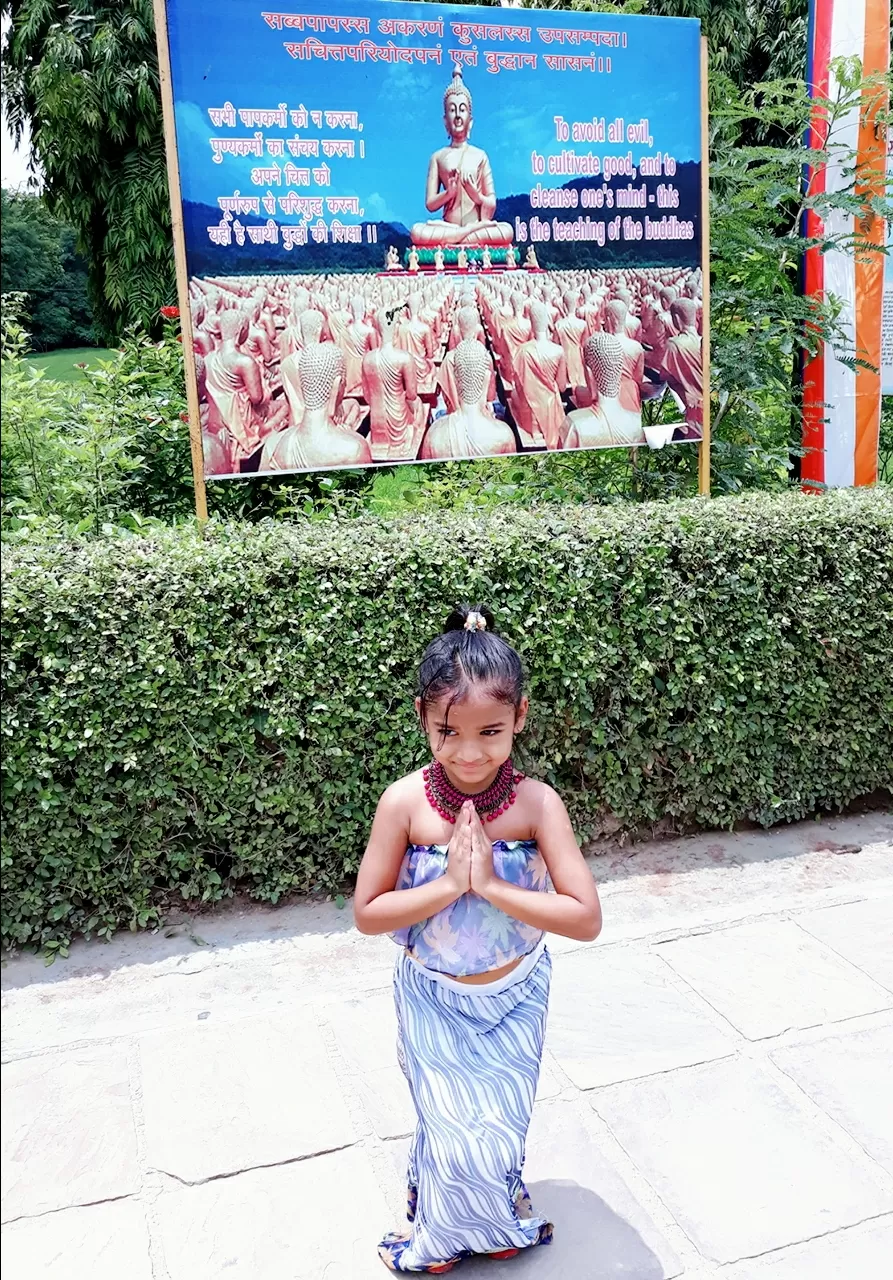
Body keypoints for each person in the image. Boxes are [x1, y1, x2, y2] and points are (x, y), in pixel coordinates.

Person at [355, 607, 602, 1274]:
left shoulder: (537, 805)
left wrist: (491, 885)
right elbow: (368, 913)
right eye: (448, 731)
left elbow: (584, 918)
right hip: (431, 996)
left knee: (493, 1132)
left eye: (490, 731)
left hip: (515, 996)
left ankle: (493, 1225)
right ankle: (436, 1241)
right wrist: (446, 886)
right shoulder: (403, 804)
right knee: (449, 1132)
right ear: (421, 718)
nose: (469, 752)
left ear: (519, 716)